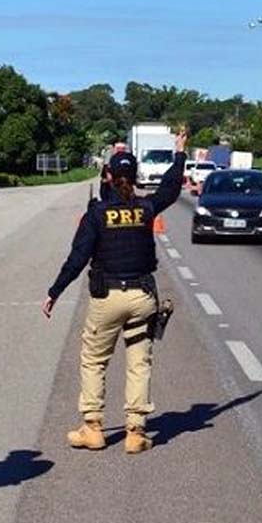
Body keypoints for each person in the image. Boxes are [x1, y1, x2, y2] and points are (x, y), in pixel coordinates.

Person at [42, 129, 187, 454]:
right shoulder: (146, 209)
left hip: (107, 297)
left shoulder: (96, 213)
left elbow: (78, 257)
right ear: (134, 177)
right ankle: (136, 431)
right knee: (139, 362)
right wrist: (179, 153)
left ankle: (93, 427)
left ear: (107, 175)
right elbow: (170, 189)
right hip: (142, 297)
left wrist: (55, 291)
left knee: (94, 360)